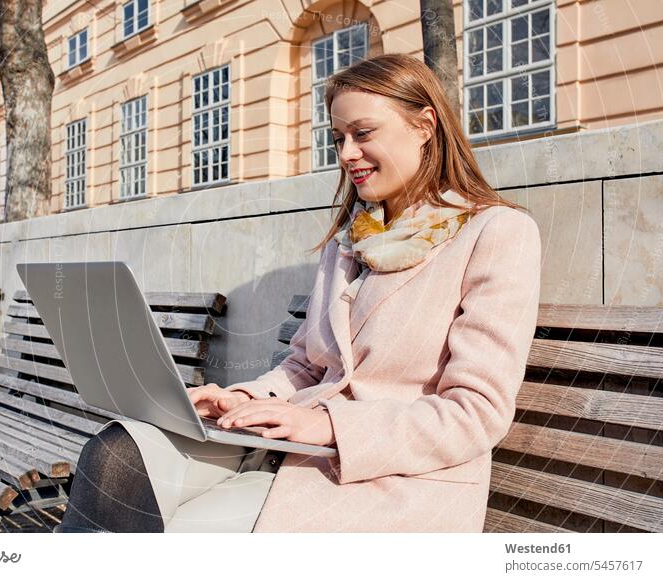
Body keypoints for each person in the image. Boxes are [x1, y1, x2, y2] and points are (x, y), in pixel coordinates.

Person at [54, 52, 541, 533]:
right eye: (339, 138)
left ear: (424, 126)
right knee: (117, 454)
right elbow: (306, 366)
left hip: (396, 481)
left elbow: (475, 413)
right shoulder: (353, 238)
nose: (348, 153)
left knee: (184, 530)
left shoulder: (495, 233)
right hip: (297, 449)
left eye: (363, 133)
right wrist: (242, 397)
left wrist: (331, 426)